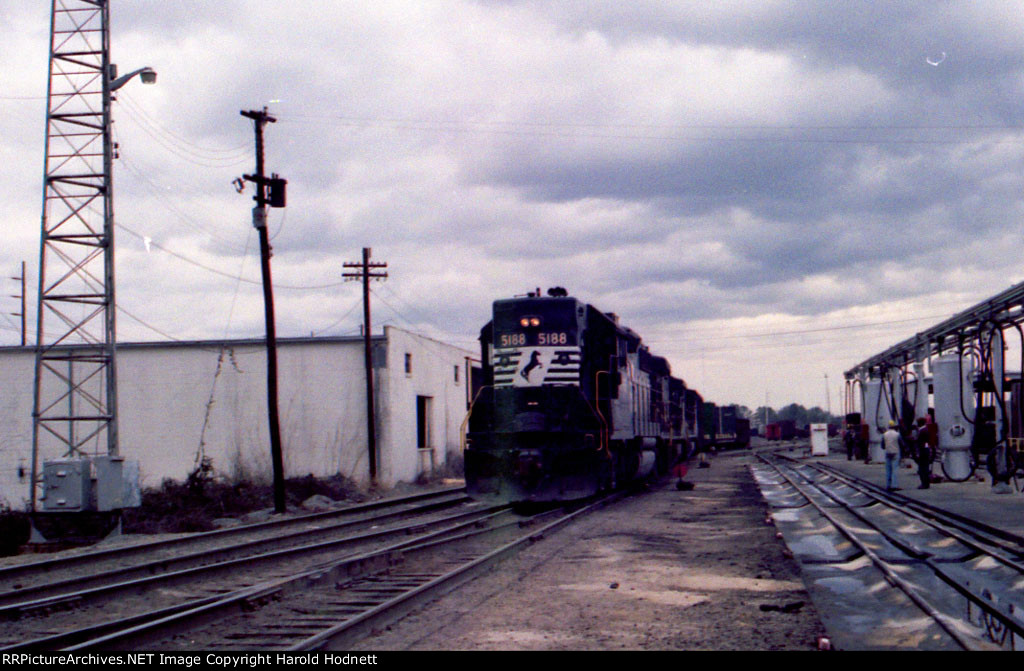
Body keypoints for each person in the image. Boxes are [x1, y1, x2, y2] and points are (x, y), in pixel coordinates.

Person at [914, 418, 933, 489]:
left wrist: (919, 452)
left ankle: (924, 484)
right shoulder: (925, 430)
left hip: (923, 452)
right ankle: (926, 483)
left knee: (922, 469)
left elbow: (922, 443)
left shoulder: (922, 431)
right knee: (925, 468)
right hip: (925, 451)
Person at [883, 421, 902, 491]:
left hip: (888, 453)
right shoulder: (897, 434)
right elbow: (901, 444)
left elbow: (882, 445)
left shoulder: (884, 434)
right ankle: (895, 485)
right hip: (896, 452)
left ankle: (888, 485)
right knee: (895, 469)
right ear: (894, 427)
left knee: (888, 469)